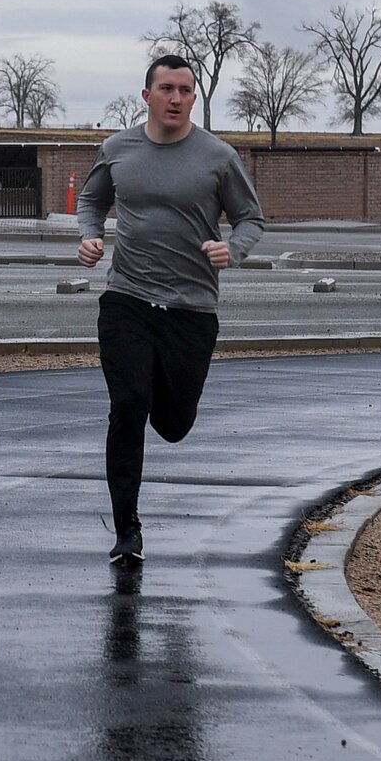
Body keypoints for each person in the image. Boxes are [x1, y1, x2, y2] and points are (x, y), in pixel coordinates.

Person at [76, 54, 265, 566]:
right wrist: (90, 237)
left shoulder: (218, 156)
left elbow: (250, 219)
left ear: (193, 97)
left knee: (175, 423)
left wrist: (235, 250)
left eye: (185, 90)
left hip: (191, 309)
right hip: (127, 300)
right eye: (166, 88)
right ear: (147, 96)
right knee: (128, 405)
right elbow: (91, 202)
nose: (176, 98)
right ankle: (127, 532)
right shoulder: (118, 149)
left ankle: (164, 397)